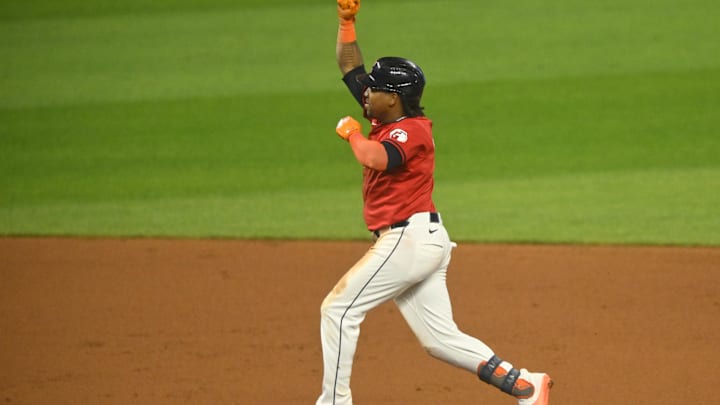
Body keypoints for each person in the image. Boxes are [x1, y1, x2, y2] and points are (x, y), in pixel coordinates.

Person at [316, 1, 553, 404]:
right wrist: (347, 22)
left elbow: (379, 158)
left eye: (374, 88)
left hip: (407, 241)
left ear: (394, 98)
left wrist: (352, 134)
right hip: (422, 239)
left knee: (337, 311)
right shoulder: (385, 114)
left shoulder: (411, 131)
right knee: (439, 339)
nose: (365, 91)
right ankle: (527, 386)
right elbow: (348, 66)